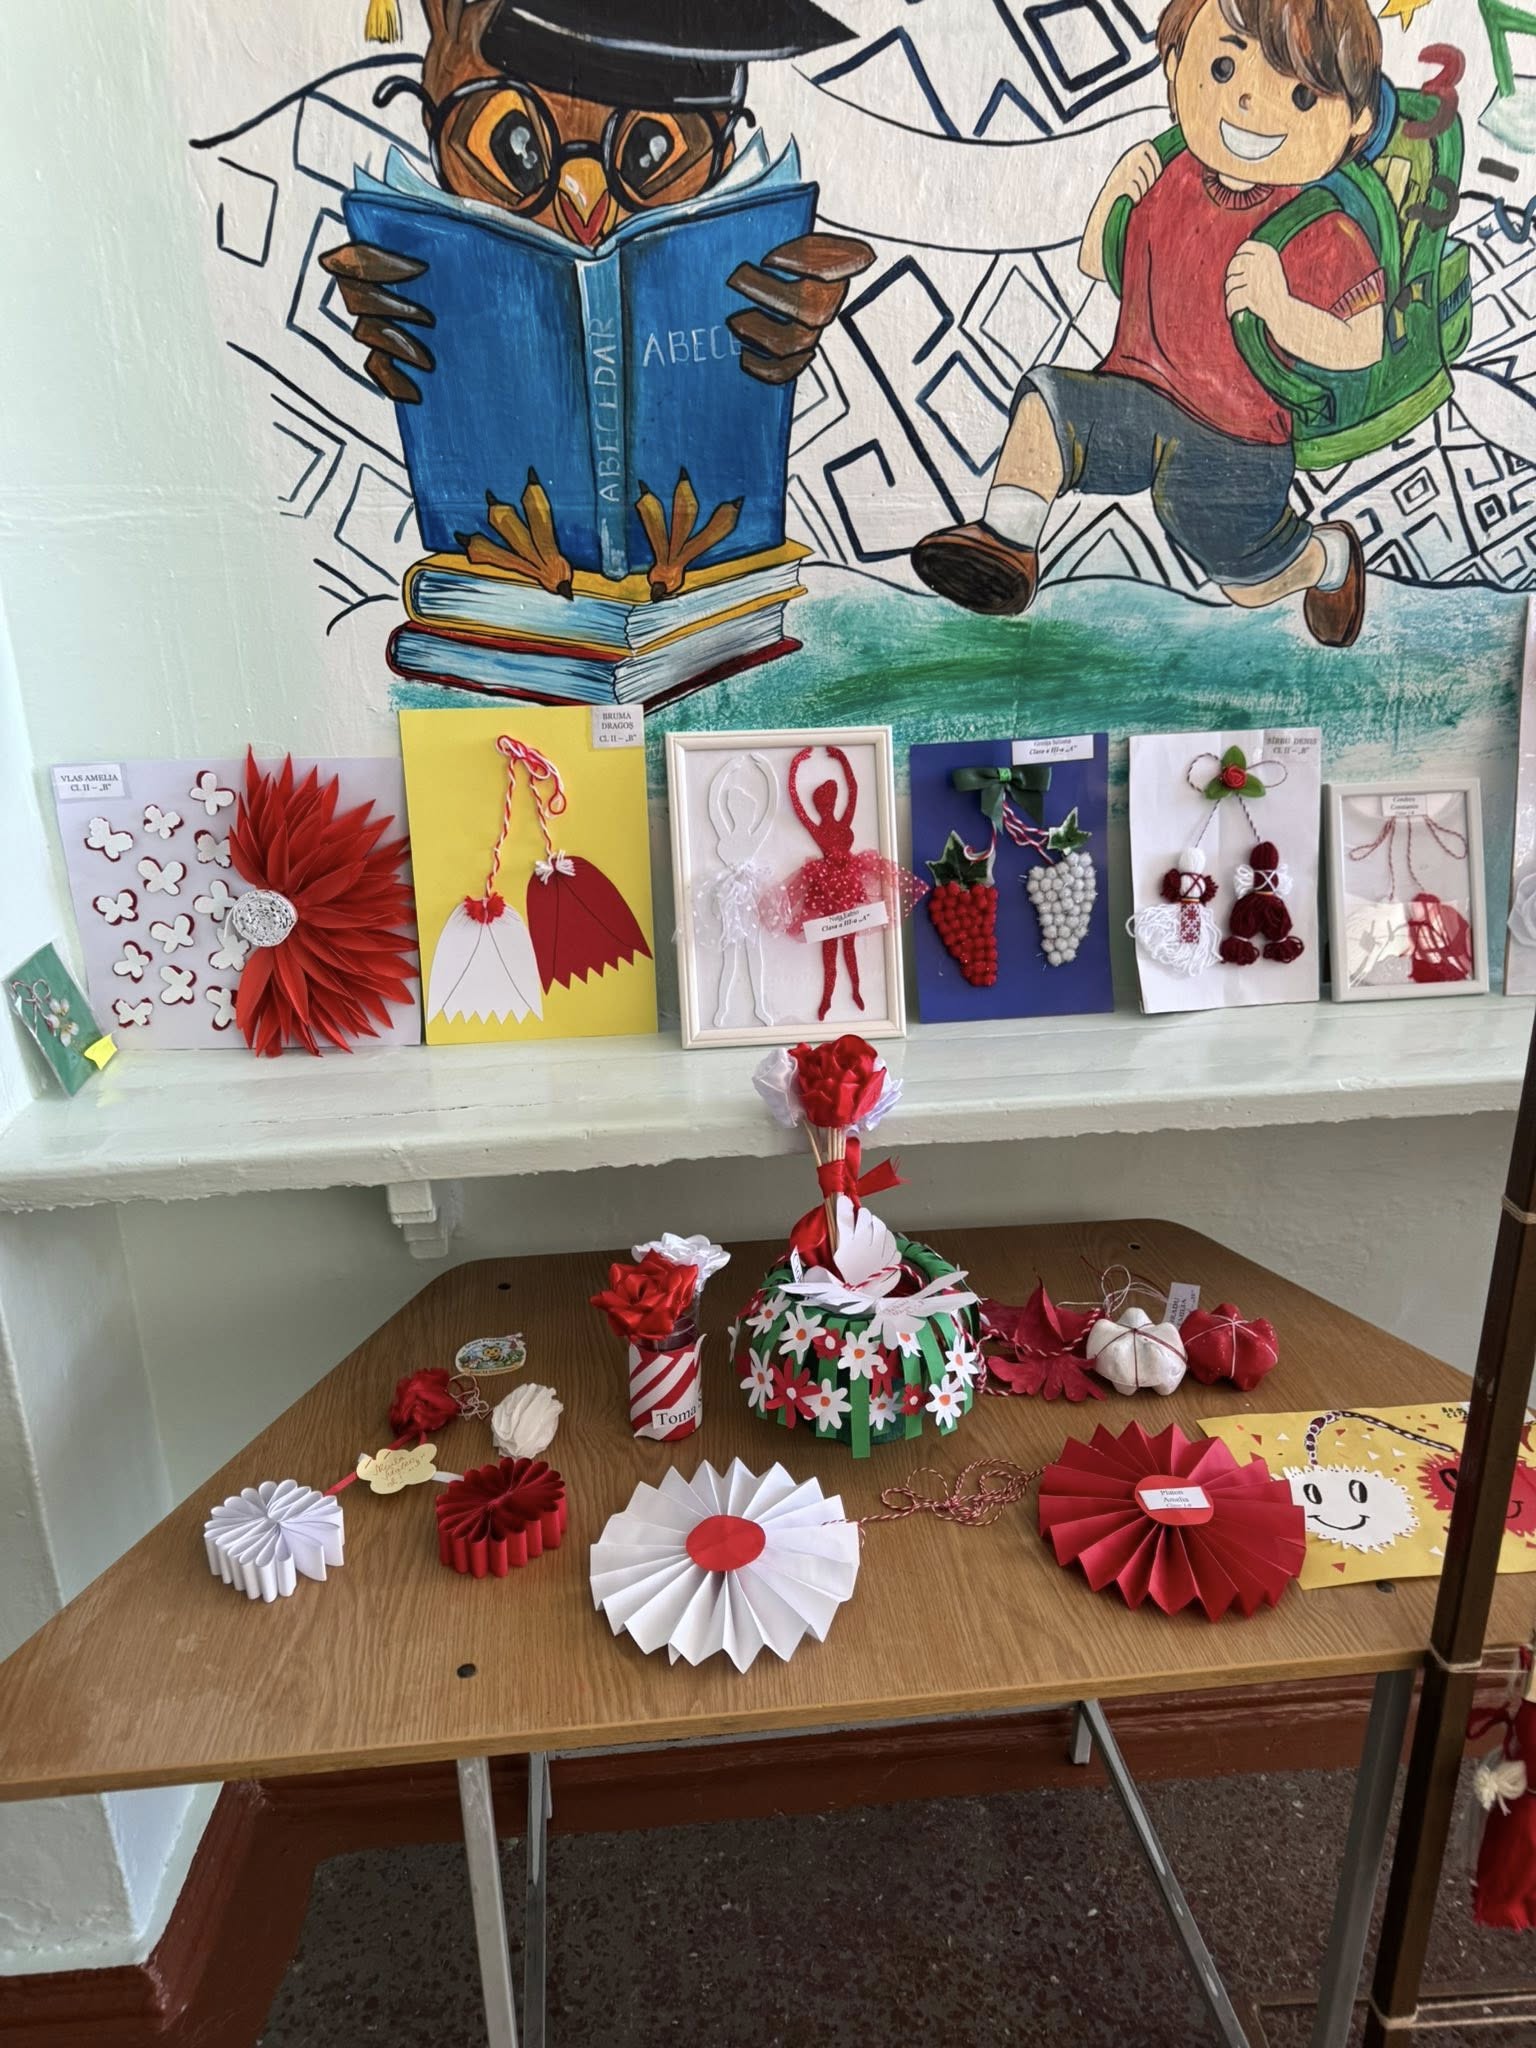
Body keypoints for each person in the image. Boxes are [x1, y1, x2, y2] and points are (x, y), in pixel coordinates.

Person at [911, 0, 1386, 647]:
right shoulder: (1169, 175)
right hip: (1136, 397)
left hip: (1237, 441)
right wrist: (1114, 196)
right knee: (1049, 404)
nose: (1250, 103)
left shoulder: (1323, 230)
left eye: (1301, 95)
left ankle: (1326, 558)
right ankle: (1006, 544)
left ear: (1356, 119)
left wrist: (1283, 310)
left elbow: (1362, 344)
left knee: (1248, 584)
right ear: (1174, 66)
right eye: (1223, 69)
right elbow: (1098, 262)